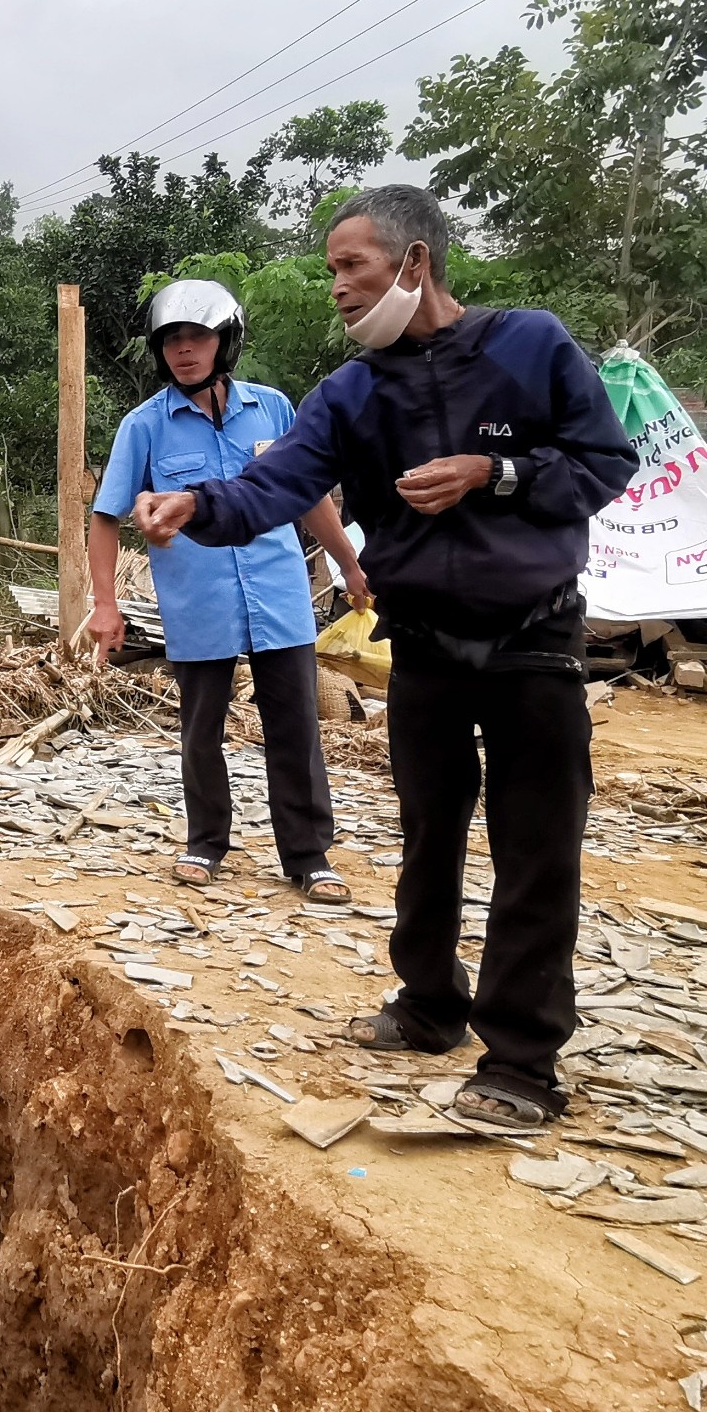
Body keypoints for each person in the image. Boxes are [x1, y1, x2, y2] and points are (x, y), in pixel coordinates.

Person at [133, 186, 638, 1127]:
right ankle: (430, 1005)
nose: (336, 288)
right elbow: (272, 486)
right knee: (429, 831)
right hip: (426, 645)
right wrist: (197, 507)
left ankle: (524, 1062)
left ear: (414, 263)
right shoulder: (350, 393)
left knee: (536, 847)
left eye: (349, 266)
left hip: (535, 635)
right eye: (331, 270)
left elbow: (606, 466)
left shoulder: (531, 346)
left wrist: (499, 473)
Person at [88, 278, 366, 899]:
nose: (183, 351)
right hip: (198, 603)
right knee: (201, 729)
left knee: (295, 728)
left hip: (280, 596)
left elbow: (311, 496)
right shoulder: (145, 426)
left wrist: (349, 564)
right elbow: (105, 517)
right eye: (171, 341)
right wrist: (105, 605)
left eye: (197, 337)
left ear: (225, 341)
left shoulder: (273, 409)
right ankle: (205, 842)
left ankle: (308, 855)